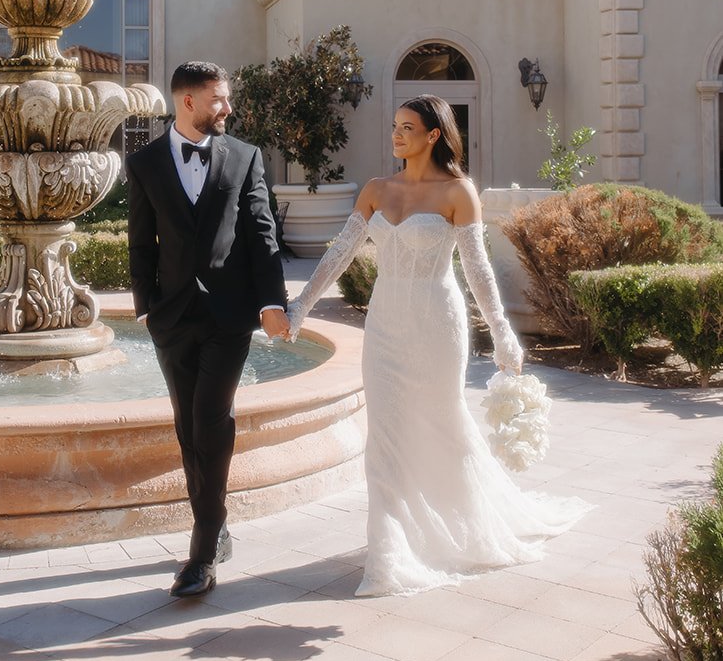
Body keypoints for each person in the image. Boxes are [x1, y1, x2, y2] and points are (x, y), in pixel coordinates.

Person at [278, 94, 589, 598]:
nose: (397, 135)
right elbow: (340, 252)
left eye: (407, 127)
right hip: (384, 327)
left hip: (437, 326)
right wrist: (300, 308)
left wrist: (504, 334)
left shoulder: (458, 192)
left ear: (433, 135)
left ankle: (461, 524)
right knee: (384, 433)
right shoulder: (377, 190)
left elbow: (479, 271)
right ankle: (389, 552)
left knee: (443, 424)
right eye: (395, 126)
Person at [127, 60, 288, 597]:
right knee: (185, 426)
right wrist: (145, 306)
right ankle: (216, 524)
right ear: (188, 101)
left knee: (210, 419)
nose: (228, 108)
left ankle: (200, 555)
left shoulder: (245, 157)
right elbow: (139, 241)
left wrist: (272, 301)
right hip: (170, 318)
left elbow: (263, 232)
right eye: (219, 99)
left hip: (230, 314)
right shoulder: (145, 162)